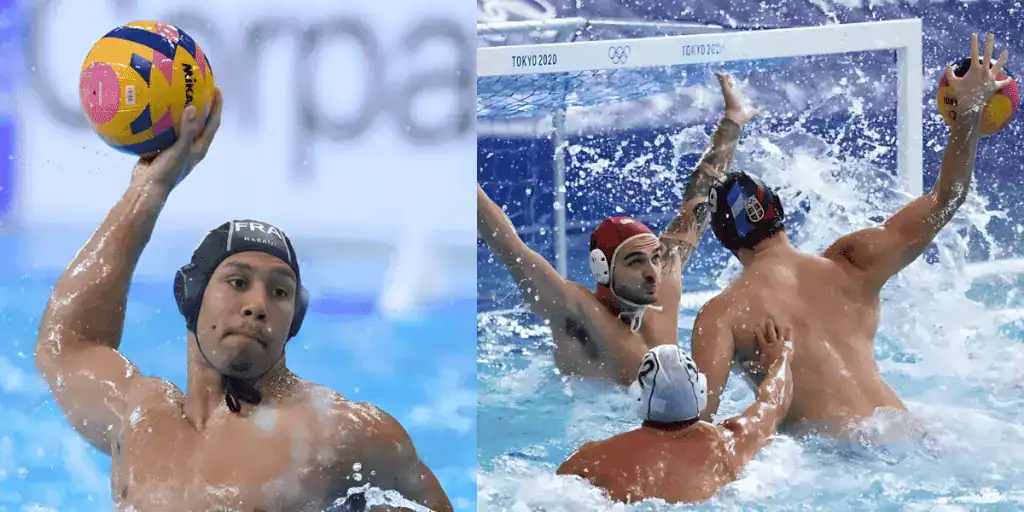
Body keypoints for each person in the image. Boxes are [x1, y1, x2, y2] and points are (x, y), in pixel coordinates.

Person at [33, 90, 453, 512]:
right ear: (191, 295)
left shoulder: (342, 434)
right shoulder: (140, 419)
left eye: (280, 291)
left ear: (294, 322)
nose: (257, 304)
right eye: (237, 282)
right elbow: (67, 343)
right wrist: (148, 190)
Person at [691, 33, 1011, 440]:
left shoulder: (722, 314)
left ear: (723, 239)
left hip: (840, 453)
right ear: (779, 210)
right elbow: (947, 198)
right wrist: (969, 113)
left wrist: (773, 380)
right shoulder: (852, 264)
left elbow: (693, 430)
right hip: (912, 432)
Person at [477, 73, 760, 385]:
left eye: (655, 257)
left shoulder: (663, 280)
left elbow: (701, 197)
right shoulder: (577, 315)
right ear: (603, 269)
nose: (652, 272)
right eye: (635, 262)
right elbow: (506, 243)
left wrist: (732, 122)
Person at [556, 320, 794, 504]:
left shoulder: (595, 459)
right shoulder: (727, 444)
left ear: (638, 397)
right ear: (700, 390)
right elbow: (774, 402)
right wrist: (781, 358)